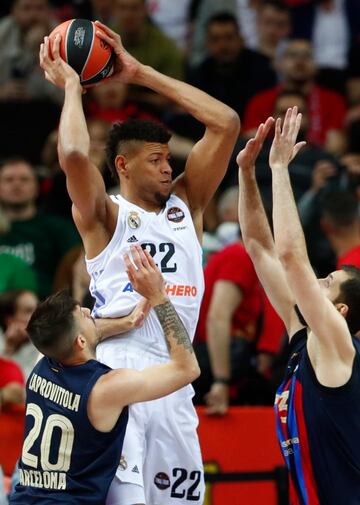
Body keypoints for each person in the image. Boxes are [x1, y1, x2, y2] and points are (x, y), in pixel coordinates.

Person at [39, 23, 239, 505]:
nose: (169, 167)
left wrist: (140, 72)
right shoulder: (106, 215)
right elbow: (71, 153)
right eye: (155, 160)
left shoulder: (186, 204)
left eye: (169, 158)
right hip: (119, 370)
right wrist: (73, 89)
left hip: (176, 374)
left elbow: (226, 122)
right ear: (123, 167)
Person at [9, 244, 200, 505]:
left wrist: (126, 323)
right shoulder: (105, 388)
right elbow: (187, 368)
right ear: (79, 341)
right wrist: (158, 297)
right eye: (85, 316)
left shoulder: (41, 363)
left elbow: (76, 337)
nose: (91, 312)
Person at [237, 108, 360, 504]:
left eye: (327, 284)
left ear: (340, 313)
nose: (316, 280)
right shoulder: (303, 338)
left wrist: (280, 169)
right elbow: (260, 249)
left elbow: (291, 256)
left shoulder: (337, 344)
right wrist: (246, 174)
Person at [0, 158, 81, 298]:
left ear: (36, 188)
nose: (17, 184)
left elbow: (77, 265)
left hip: (46, 311)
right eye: (9, 180)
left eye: (24, 179)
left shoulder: (58, 228)